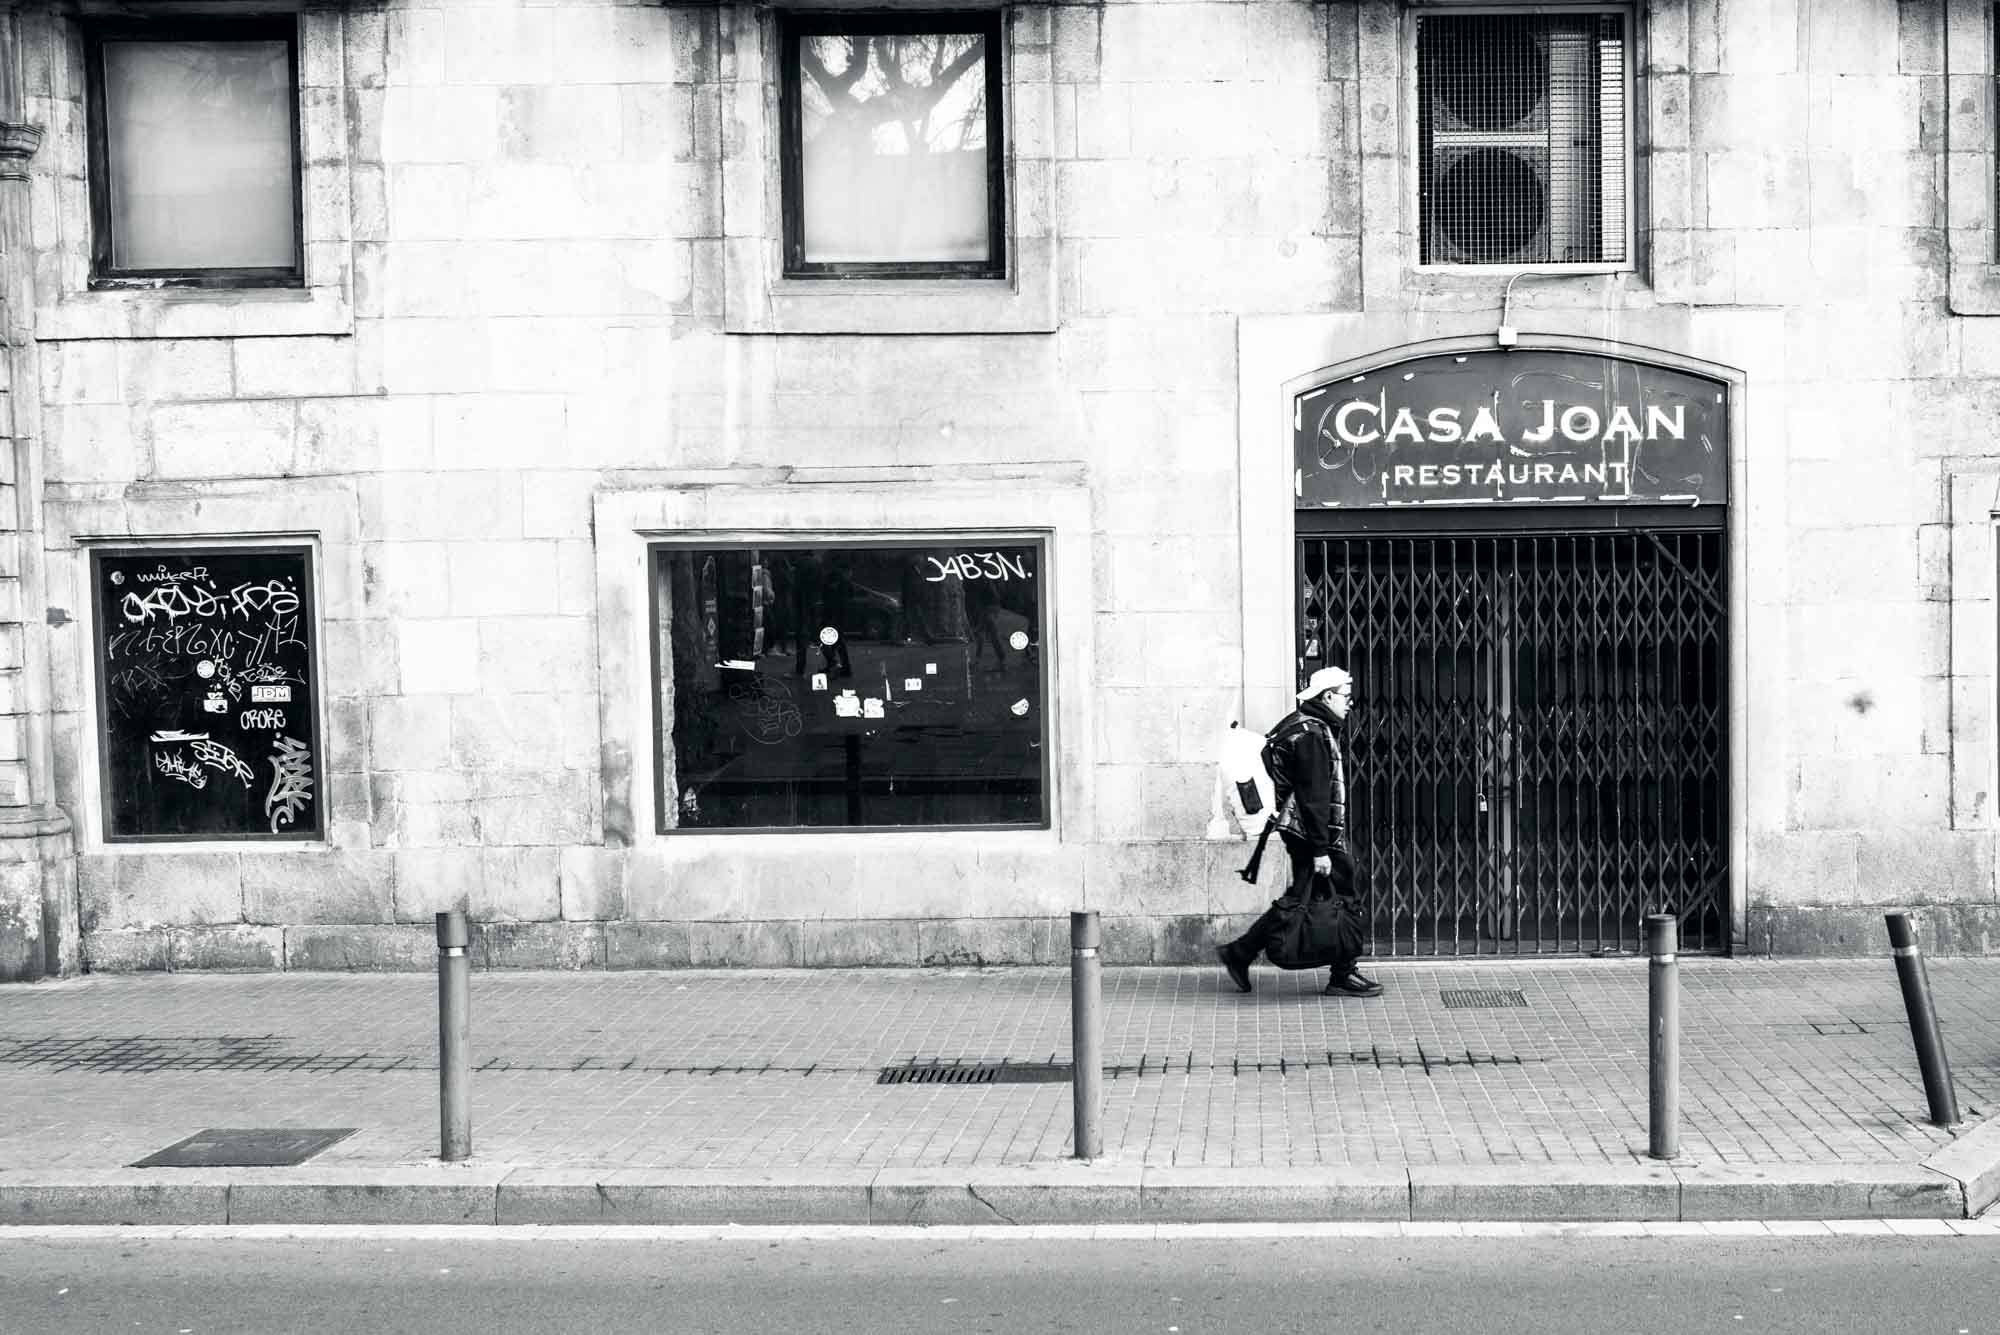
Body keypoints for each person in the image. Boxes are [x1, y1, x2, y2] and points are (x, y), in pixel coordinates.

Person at [1216, 665, 1382, 998]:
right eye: (1346, 697)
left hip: (1304, 832)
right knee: (1340, 895)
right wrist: (1322, 849)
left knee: (1305, 896)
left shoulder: (1299, 723)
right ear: (1328, 696)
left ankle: (1241, 952)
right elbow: (1314, 796)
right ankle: (1342, 974)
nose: (1350, 704)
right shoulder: (1311, 734)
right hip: (1313, 835)